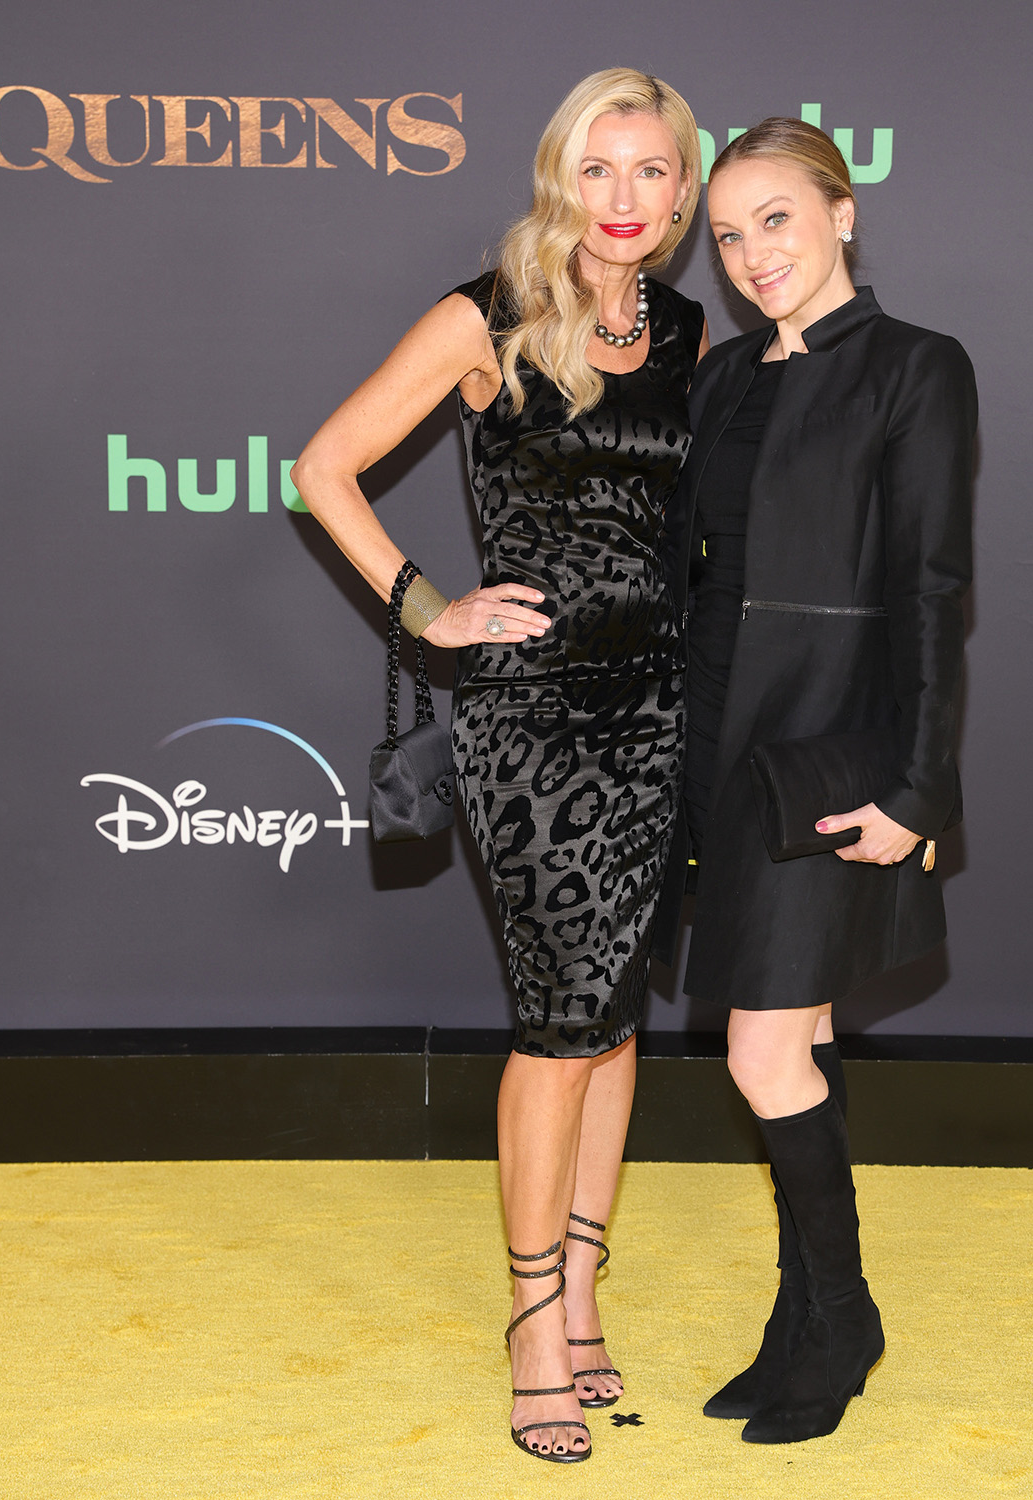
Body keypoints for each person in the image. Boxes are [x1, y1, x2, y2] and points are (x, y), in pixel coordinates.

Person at [290, 69, 707, 1464]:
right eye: (600, 170)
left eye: (651, 173)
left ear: (682, 187)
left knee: (618, 1010)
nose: (625, 201)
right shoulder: (489, 318)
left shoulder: (691, 331)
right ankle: (532, 1321)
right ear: (558, 178)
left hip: (655, 712)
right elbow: (324, 465)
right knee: (557, 1021)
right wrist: (430, 608)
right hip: (532, 720)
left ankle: (584, 1287)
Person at [655, 117, 977, 1445]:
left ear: (841, 214)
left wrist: (916, 792)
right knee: (801, 1039)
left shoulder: (915, 370)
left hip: (826, 763)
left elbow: (930, 590)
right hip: (715, 750)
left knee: (761, 1046)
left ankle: (838, 1316)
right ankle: (802, 1319)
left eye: (774, 220)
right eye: (726, 236)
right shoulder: (724, 378)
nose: (750, 255)